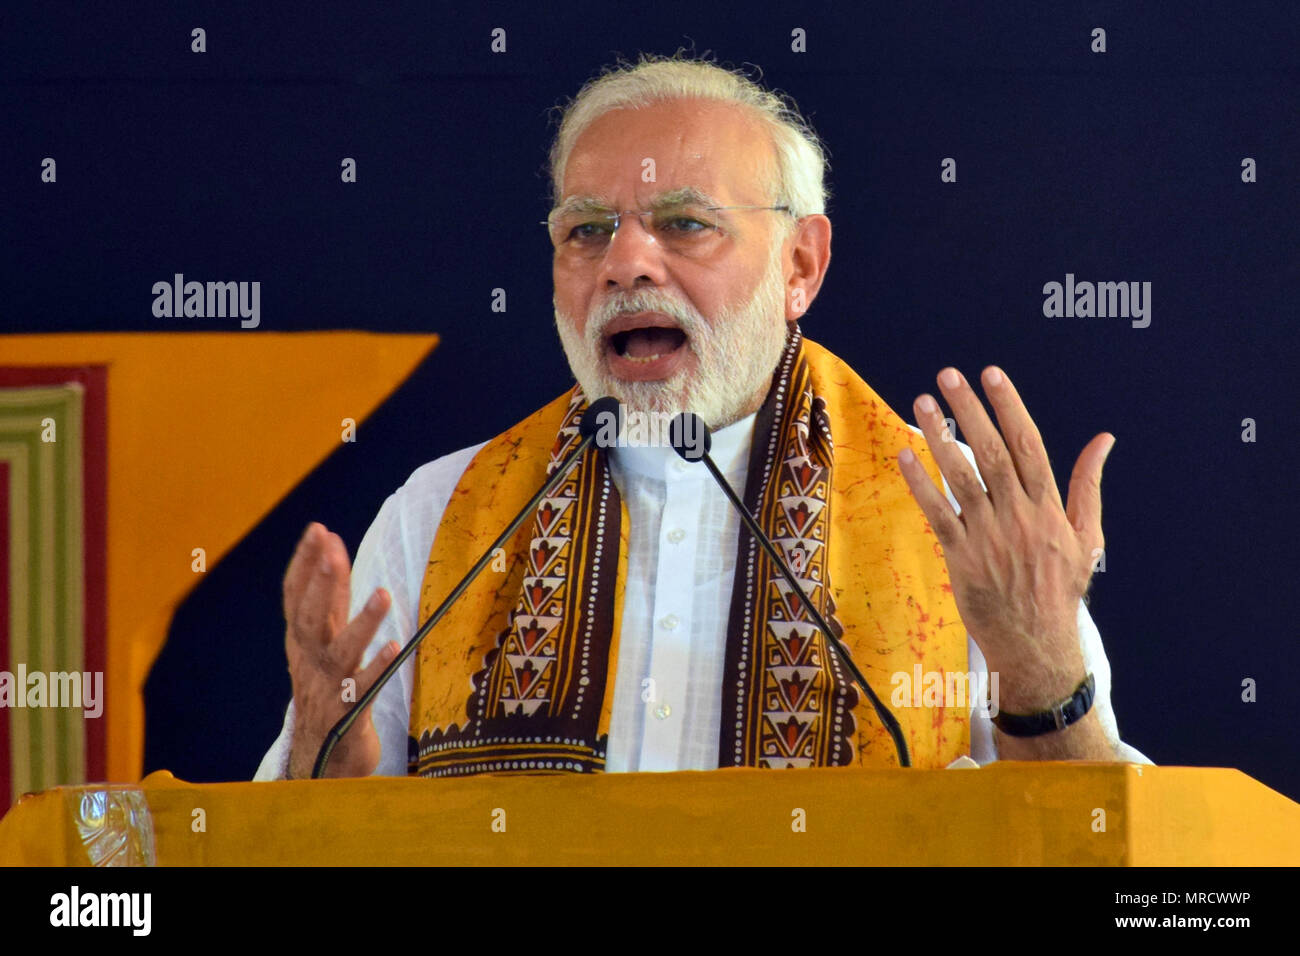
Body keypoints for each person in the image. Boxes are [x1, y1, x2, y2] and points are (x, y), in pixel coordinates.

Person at [256, 55, 1150, 781]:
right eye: (586, 231)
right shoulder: (440, 515)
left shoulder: (952, 522)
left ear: (800, 265)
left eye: (684, 225)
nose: (625, 264)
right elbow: (305, 835)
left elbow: (1103, 863)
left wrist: (1040, 671)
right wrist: (319, 771)